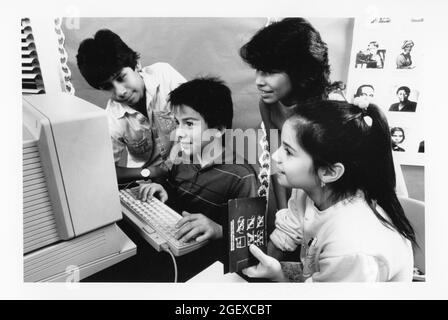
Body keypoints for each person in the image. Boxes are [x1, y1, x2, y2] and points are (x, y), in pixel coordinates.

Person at [242, 100, 415, 282]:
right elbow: (290, 235)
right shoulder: (308, 190)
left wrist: (279, 277)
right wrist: (270, 266)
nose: (276, 157)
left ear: (329, 172)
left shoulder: (349, 246)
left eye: (289, 151)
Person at [239, 18, 343, 234]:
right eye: (258, 70)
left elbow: (339, 185)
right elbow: (278, 163)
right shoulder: (268, 104)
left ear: (300, 71)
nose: (259, 81)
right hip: (298, 206)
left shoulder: (333, 109)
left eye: (269, 71)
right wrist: (284, 220)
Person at [138, 77, 259, 248]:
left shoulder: (241, 175)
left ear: (218, 129)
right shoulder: (181, 156)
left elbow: (251, 239)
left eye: (188, 124)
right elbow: (178, 197)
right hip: (177, 243)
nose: (178, 133)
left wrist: (218, 230)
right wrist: (164, 192)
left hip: (210, 258)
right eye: (177, 123)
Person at [76, 29, 186, 184]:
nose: (120, 92)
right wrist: (150, 172)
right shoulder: (111, 118)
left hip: (189, 171)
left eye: (121, 78)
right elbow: (106, 170)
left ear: (136, 64)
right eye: (107, 87)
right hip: (148, 184)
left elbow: (202, 116)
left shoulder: (164, 75)